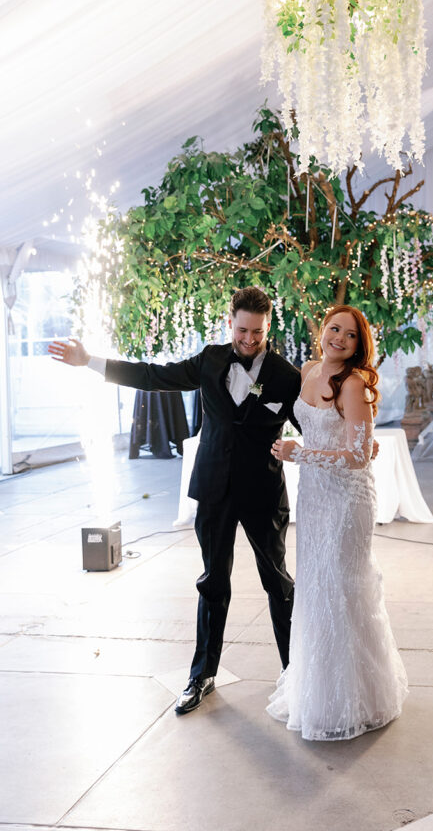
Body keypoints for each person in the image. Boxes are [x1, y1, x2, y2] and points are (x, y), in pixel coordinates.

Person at [48, 286, 301, 715]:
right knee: (212, 583)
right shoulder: (210, 360)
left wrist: (344, 441)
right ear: (230, 323)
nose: (249, 339)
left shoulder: (287, 375)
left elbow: (313, 423)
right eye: (242, 330)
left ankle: (297, 675)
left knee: (278, 582)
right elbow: (151, 376)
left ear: (269, 325)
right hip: (214, 490)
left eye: (257, 332)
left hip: (263, 492)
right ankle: (201, 675)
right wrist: (89, 362)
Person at [269, 305, 408, 741]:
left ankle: (357, 699)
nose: (339, 339)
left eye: (350, 335)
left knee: (342, 588)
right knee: (315, 587)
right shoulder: (309, 370)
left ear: (359, 345)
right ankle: (319, 695)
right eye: (334, 329)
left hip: (348, 501)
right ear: (323, 332)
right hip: (315, 497)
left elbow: (359, 455)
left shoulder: (353, 385)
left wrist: (300, 454)